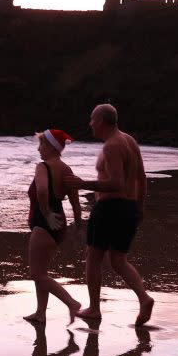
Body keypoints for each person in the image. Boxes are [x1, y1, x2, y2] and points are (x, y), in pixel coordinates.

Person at [64, 104, 154, 326]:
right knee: (118, 259)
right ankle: (144, 298)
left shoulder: (112, 146)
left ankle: (94, 309)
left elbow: (116, 183)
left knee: (93, 257)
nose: (90, 123)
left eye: (92, 119)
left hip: (110, 208)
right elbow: (141, 177)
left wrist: (83, 183)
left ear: (102, 121)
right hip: (129, 207)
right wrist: (139, 207)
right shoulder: (128, 140)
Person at [24, 129, 83, 324]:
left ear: (50, 147)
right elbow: (75, 202)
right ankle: (40, 313)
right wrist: (77, 224)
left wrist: (47, 213)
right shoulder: (67, 170)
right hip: (59, 226)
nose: (39, 149)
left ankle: (72, 303)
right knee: (42, 272)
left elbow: (41, 191)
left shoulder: (43, 167)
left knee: (36, 273)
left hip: (45, 223)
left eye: (41, 145)